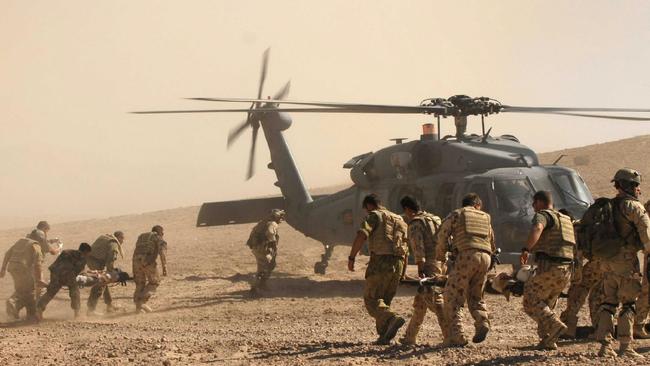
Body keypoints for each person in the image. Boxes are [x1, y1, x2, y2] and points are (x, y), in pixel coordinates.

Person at [593, 169, 650, 358]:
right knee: (628, 304)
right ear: (630, 185)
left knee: (608, 302)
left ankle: (605, 347)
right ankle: (625, 347)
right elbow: (647, 239)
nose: (638, 188)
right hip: (626, 263)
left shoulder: (607, 206)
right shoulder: (634, 208)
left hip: (607, 262)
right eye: (636, 185)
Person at [435, 193, 495, 347]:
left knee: (452, 296)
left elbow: (443, 234)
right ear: (478, 205)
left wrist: (440, 256)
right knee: (476, 296)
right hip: (485, 258)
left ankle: (458, 336)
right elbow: (492, 241)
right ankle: (482, 321)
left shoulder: (457, 214)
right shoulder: (485, 217)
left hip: (466, 256)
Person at [348, 194, 408, 345]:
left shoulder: (374, 216)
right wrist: (403, 272)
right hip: (399, 263)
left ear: (369, 205)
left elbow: (362, 235)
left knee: (372, 300)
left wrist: (351, 257)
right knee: (384, 302)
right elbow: (406, 248)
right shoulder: (400, 219)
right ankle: (384, 336)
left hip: (381, 261)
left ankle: (392, 318)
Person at [522, 191, 576, 350]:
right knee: (546, 304)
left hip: (550, 267)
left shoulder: (543, 215)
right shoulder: (565, 219)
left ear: (539, 202)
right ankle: (548, 340)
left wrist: (526, 248)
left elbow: (538, 228)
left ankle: (555, 325)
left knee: (530, 299)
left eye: (534, 203)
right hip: (566, 270)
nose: (533, 207)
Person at [397, 195, 446, 345]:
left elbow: (418, 247)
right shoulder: (435, 219)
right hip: (441, 262)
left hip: (429, 265)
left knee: (434, 300)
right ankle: (409, 337)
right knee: (420, 302)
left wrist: (420, 268)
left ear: (407, 209)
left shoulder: (415, 223)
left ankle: (452, 333)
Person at [37, 243, 92, 319]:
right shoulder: (82, 258)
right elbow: (77, 271)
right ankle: (77, 313)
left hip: (56, 273)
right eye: (88, 253)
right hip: (66, 275)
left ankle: (39, 310)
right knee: (75, 291)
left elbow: (57, 266)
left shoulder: (66, 252)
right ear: (85, 252)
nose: (88, 255)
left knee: (51, 292)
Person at [0, 232, 46, 322]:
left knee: (22, 290)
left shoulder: (21, 241)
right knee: (31, 290)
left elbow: (7, 253)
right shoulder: (35, 245)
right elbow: (38, 264)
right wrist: (39, 279)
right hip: (23, 269)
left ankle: (24, 311)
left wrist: (3, 269)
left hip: (13, 269)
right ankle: (15, 304)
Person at [247, 209, 284, 296]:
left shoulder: (263, 222)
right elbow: (270, 234)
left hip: (258, 248)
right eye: (280, 217)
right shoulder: (272, 224)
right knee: (264, 268)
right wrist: (274, 245)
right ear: (276, 217)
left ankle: (262, 284)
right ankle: (254, 289)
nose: (281, 219)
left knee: (270, 265)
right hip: (262, 249)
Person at [86, 231, 125, 315]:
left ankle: (109, 305)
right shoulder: (113, 244)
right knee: (101, 283)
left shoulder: (106, 237)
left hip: (90, 259)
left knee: (104, 282)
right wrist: (113, 273)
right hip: (95, 262)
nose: (123, 241)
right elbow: (110, 261)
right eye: (122, 239)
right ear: (119, 237)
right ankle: (91, 310)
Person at [132, 225, 168, 313]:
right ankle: (142, 301)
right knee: (155, 281)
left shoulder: (142, 237)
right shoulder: (158, 237)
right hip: (148, 261)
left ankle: (138, 308)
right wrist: (164, 266)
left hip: (135, 261)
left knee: (140, 283)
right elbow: (162, 252)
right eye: (162, 232)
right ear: (160, 232)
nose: (163, 234)